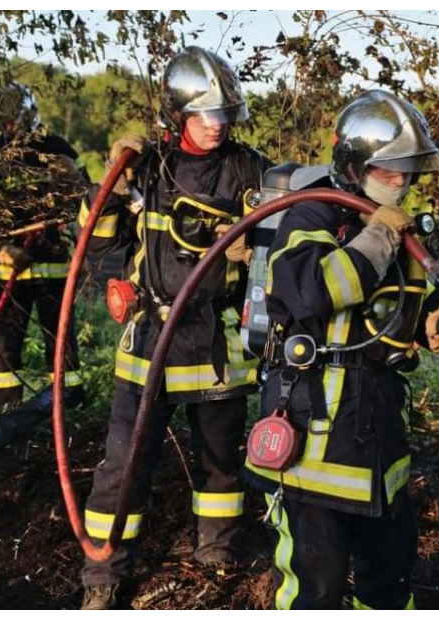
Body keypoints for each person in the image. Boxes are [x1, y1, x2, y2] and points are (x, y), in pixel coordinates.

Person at [244, 90, 439, 609]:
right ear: (354, 163)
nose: (400, 182)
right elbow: (309, 291)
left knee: (389, 577)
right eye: (388, 170)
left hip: (378, 438)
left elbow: (407, 309)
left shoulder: (396, 229)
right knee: (317, 584)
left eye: (406, 172)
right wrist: (375, 240)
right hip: (313, 434)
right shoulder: (312, 214)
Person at [77, 46, 271, 610]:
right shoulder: (147, 167)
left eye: (225, 113)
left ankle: (215, 562)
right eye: (205, 114)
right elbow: (97, 243)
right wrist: (113, 184)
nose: (217, 125)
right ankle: (104, 574)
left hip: (215, 342)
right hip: (150, 340)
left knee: (219, 465)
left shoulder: (250, 171)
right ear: (178, 114)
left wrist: (253, 251)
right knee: (123, 466)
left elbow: (287, 245)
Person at [0, 83, 85, 409]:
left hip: (53, 265)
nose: (11, 125)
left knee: (60, 339)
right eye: (6, 120)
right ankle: (5, 406)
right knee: (4, 344)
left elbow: (85, 202)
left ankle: (66, 404)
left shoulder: (57, 149)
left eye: (16, 118)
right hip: (7, 268)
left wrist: (72, 181)